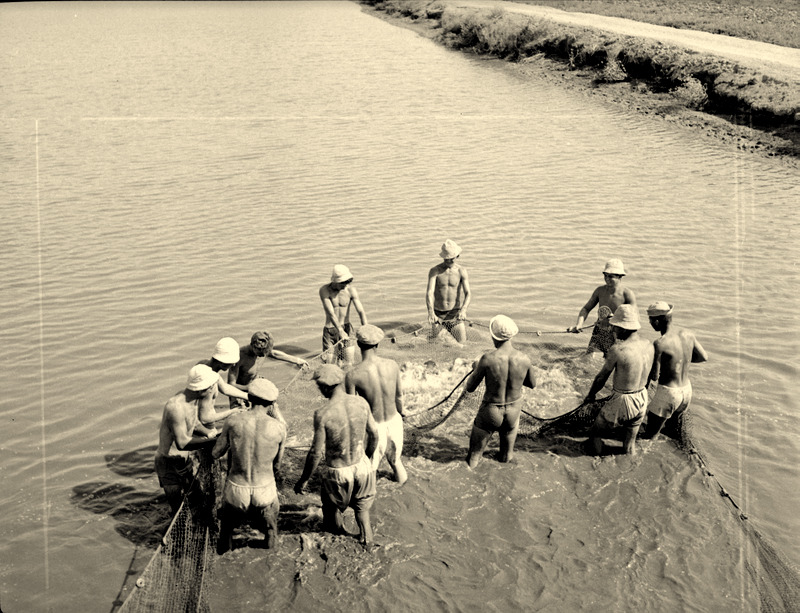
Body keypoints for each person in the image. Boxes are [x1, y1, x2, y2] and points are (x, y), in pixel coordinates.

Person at [294, 365, 379, 551]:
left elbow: (315, 453)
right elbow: (374, 435)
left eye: (318, 386)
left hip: (338, 473)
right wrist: (368, 458)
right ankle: (368, 543)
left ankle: (337, 540)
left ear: (324, 387)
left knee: (331, 511)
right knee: (362, 510)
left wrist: (304, 480)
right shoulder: (361, 403)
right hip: (363, 466)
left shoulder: (322, 414)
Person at [213, 378, 286, 554]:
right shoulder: (279, 428)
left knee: (226, 530)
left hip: (237, 489)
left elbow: (216, 453)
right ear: (272, 403)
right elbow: (277, 465)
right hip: (264, 489)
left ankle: (225, 553)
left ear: (249, 399)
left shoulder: (233, 421)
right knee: (271, 531)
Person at [465, 315, 537, 468]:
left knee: (474, 457)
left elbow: (470, 387)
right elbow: (532, 384)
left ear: (493, 336)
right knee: (506, 457)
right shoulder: (524, 358)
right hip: (513, 411)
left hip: (491, 410)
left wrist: (475, 369)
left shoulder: (487, 359)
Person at [583, 304, 654, 456]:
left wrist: (590, 396)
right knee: (629, 444)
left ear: (623, 328)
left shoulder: (618, 350)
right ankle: (630, 463)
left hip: (623, 400)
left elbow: (601, 378)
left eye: (615, 327)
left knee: (595, 433)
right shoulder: (649, 345)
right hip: (642, 397)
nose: (613, 330)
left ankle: (595, 466)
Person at [345, 324, 408, 485]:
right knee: (395, 462)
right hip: (394, 421)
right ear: (378, 344)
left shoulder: (353, 374)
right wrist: (403, 414)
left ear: (358, 345)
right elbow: (399, 397)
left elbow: (354, 410)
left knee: (369, 469)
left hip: (374, 427)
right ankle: (403, 488)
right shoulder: (392, 365)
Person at [154, 364, 220, 515]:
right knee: (178, 509)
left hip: (184, 461)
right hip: (168, 463)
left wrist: (209, 433)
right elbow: (182, 443)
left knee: (197, 500)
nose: (212, 390)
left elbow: (194, 423)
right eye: (210, 387)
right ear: (201, 389)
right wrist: (213, 442)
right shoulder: (175, 407)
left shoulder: (193, 399)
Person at [642, 302, 708, 439]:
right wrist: (680, 361)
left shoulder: (660, 343)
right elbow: (703, 357)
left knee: (650, 436)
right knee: (672, 433)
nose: (649, 323)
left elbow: (654, 376)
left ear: (657, 321)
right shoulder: (688, 334)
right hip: (686, 392)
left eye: (650, 320)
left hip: (669, 394)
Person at [568, 259, 636, 356]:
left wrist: (615, 318)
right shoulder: (600, 291)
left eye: (611, 276)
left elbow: (634, 317)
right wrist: (579, 324)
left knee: (613, 360)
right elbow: (586, 309)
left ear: (620, 276)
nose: (607, 278)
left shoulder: (627, 294)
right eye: (605, 275)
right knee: (589, 356)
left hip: (618, 333)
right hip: (600, 330)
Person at [228, 330, 307, 408]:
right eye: (261, 353)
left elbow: (274, 353)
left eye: (265, 352)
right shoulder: (240, 356)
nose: (263, 355)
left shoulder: (263, 350)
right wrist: (249, 388)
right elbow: (231, 384)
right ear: (253, 346)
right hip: (239, 392)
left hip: (254, 386)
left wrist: (297, 361)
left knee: (272, 407)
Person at [319, 265, 368, 365]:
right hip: (331, 331)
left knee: (348, 363)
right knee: (330, 364)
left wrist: (366, 328)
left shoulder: (350, 290)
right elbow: (331, 313)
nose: (345, 285)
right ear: (335, 281)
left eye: (347, 282)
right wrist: (340, 331)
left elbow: (361, 311)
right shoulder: (324, 290)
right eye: (343, 283)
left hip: (347, 328)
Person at [196, 337, 249, 427]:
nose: (234, 365)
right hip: (203, 426)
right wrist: (232, 412)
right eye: (232, 362)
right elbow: (205, 418)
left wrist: (248, 396)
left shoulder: (204, 365)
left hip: (202, 419)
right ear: (222, 362)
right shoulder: (208, 382)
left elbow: (224, 388)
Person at [426, 239, 472, 343]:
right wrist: (431, 312)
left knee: (462, 344)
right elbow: (429, 292)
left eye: (451, 259)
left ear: (457, 256)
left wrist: (463, 310)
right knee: (438, 344)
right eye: (446, 259)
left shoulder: (461, 271)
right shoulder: (435, 271)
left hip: (455, 314)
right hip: (438, 315)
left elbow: (468, 293)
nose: (448, 261)